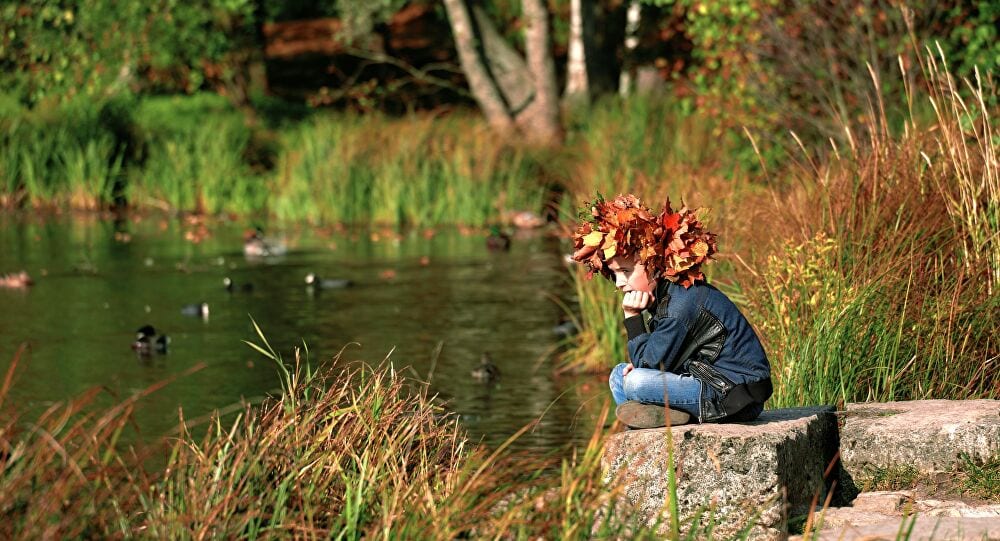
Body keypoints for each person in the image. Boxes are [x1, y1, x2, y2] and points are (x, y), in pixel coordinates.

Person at [570, 194, 772, 429]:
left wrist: (632, 318)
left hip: (734, 394)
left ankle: (660, 419)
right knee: (618, 376)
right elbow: (657, 359)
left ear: (654, 266)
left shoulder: (680, 305)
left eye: (625, 271)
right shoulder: (667, 296)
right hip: (704, 378)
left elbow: (649, 366)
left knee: (635, 381)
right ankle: (663, 417)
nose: (619, 283)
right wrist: (644, 364)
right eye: (614, 274)